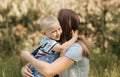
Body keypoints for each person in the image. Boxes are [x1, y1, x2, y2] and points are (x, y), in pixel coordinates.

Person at [21, 9, 94, 77]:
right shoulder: (57, 44)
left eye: (58, 28)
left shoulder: (76, 48)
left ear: (63, 26)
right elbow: (41, 59)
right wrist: (26, 68)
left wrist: (28, 56)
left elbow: (49, 71)